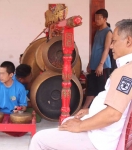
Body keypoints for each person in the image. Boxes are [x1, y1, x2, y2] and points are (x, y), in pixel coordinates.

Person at [29, 19, 132, 150]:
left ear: (128, 41)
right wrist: (91, 111)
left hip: (99, 140)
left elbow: (113, 114)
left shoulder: (126, 72)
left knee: (39, 139)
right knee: (67, 122)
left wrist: (80, 126)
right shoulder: (126, 69)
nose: (111, 46)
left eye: (114, 41)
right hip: (101, 132)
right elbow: (119, 104)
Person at [82, 9, 112, 109]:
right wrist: (90, 63)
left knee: (102, 90)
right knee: (91, 88)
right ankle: (84, 108)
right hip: (94, 65)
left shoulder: (108, 32)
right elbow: (95, 49)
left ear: (105, 19)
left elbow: (106, 49)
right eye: (96, 18)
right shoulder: (98, 31)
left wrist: (101, 64)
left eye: (99, 18)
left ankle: (102, 111)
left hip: (102, 66)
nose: (97, 20)